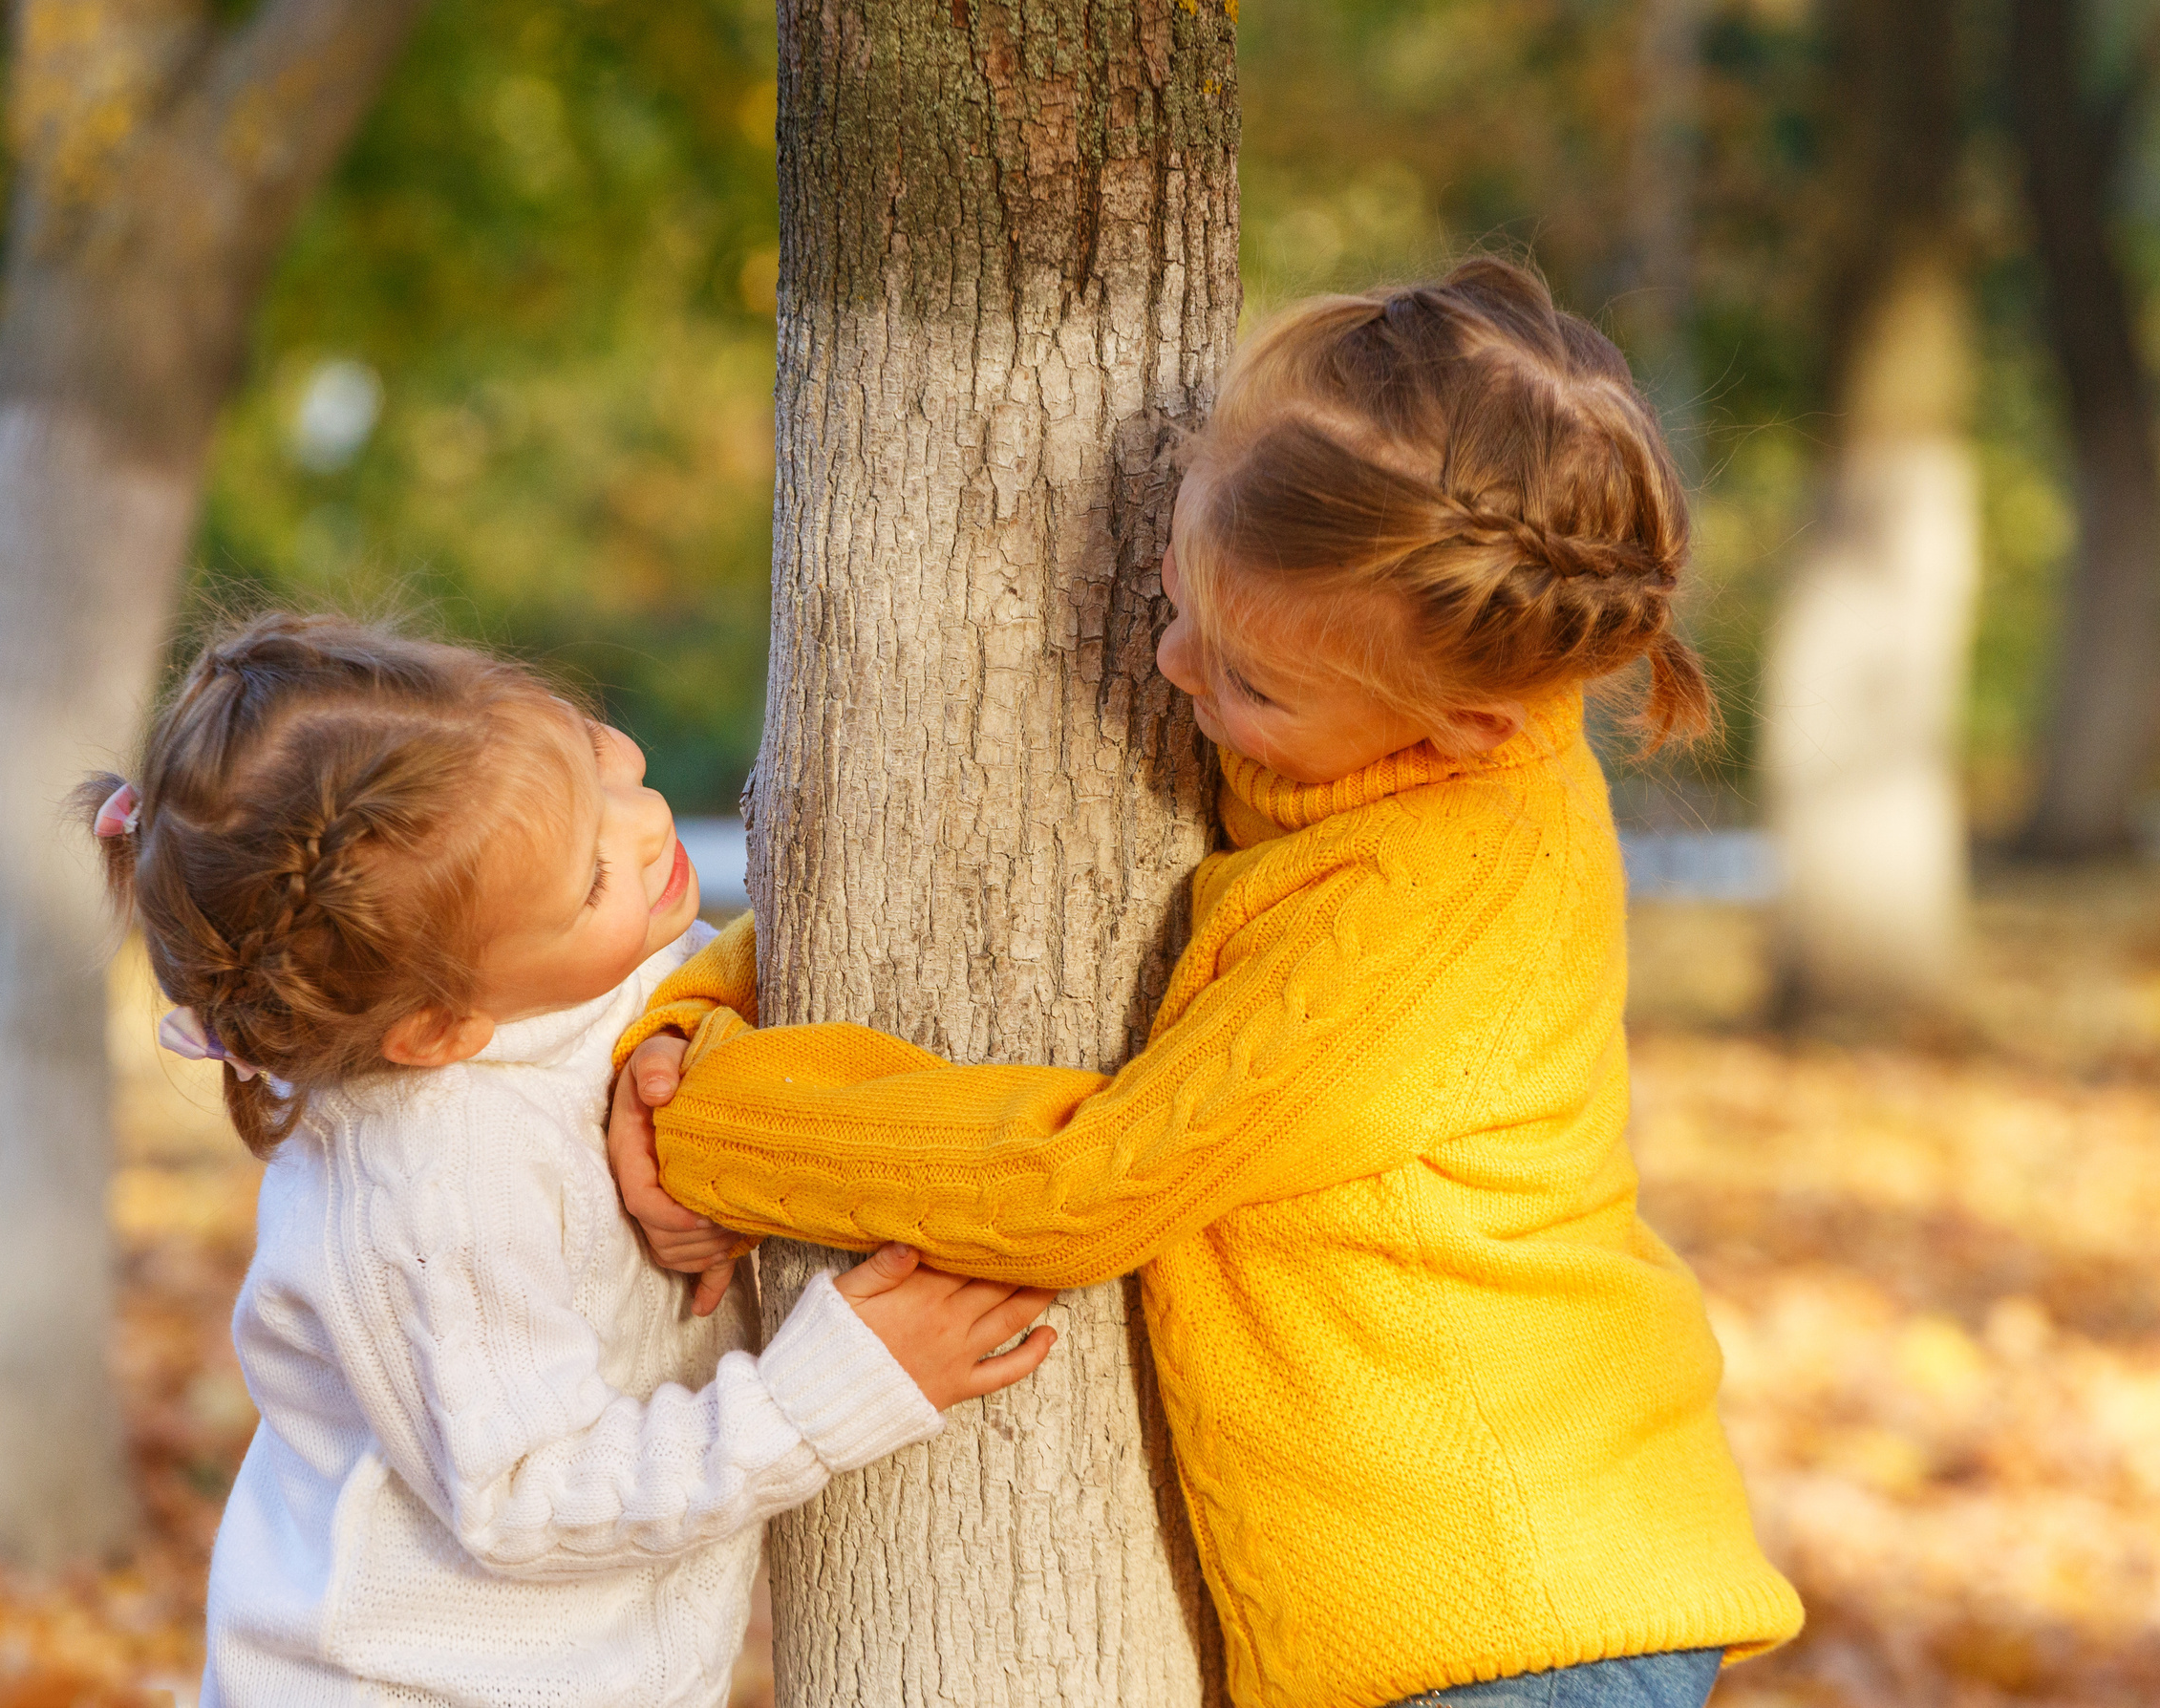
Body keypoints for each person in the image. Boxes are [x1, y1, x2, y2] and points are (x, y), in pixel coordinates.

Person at [606, 260, 1804, 1708]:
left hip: (1515, 1619)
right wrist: (718, 1001)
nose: (1173, 663)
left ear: (1467, 727)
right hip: (1466, 1616)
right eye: (1177, 587)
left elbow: (1090, 1181)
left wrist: (707, 1127)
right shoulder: (1378, 720)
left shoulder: (1416, 898)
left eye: (1250, 684)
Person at [75, 613, 1058, 1707]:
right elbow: (530, 1493)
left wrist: (689, 1054)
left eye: (591, 755)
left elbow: (656, 991)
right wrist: (838, 1387)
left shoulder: (548, 964)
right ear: (438, 1030)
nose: (642, 823)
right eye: (591, 878)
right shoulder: (433, 1189)